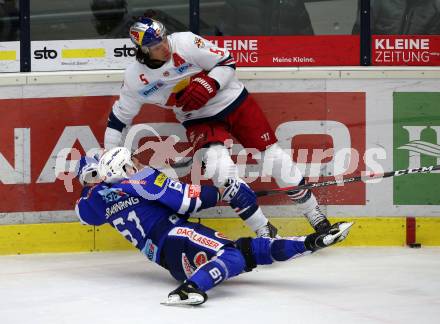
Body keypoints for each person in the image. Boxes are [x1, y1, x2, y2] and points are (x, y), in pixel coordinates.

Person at [102, 13, 341, 239]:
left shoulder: (185, 42)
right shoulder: (136, 78)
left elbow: (227, 62)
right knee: (220, 170)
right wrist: (110, 158)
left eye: (164, 40)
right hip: (198, 119)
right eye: (155, 47)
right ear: (142, 51)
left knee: (273, 158)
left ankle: (314, 214)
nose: (164, 47)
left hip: (235, 102)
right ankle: (263, 228)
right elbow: (119, 119)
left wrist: (210, 84)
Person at [75, 147, 353, 306]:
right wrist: (227, 194)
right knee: (233, 255)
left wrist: (96, 183)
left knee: (245, 251)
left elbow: (83, 214)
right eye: (133, 161)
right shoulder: (137, 181)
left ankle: (312, 242)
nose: (139, 163)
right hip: (175, 235)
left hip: (165, 252)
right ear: (124, 167)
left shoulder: (97, 199)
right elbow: (186, 202)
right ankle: (189, 289)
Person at [216, 0, 314, 36]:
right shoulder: (236, 3)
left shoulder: (293, 3)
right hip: (245, 64)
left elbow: (308, 44)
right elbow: (223, 41)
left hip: (285, 65)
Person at [352, 0, 440, 35]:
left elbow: (432, 53)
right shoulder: (375, 2)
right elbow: (358, 43)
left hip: (415, 70)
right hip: (376, 68)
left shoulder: (434, 8)